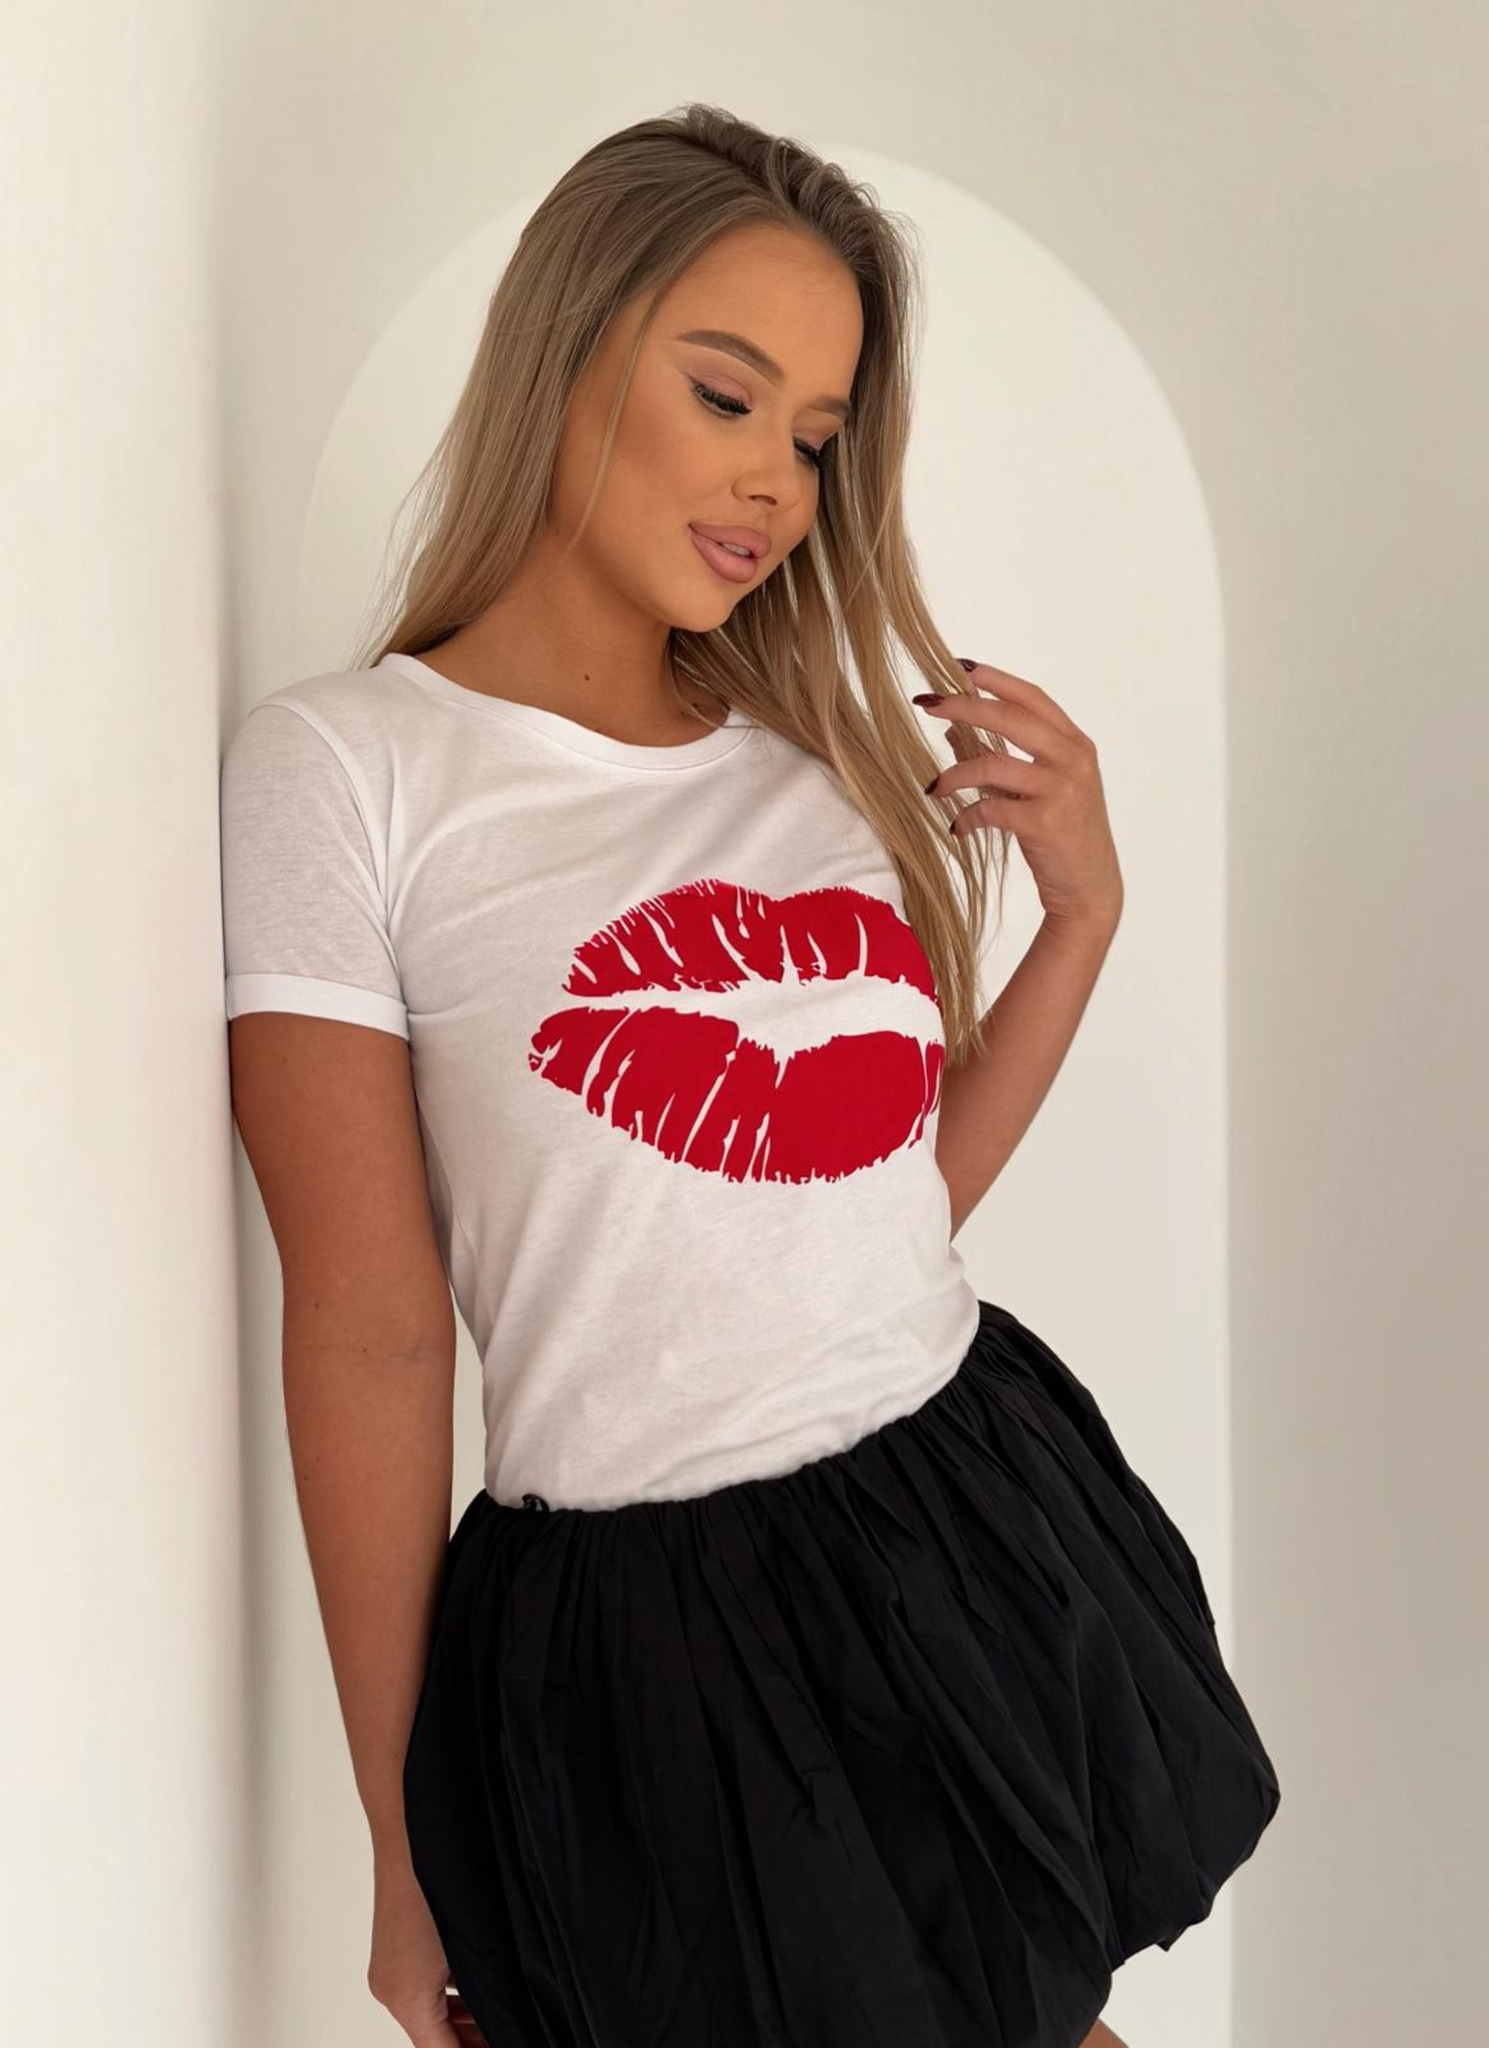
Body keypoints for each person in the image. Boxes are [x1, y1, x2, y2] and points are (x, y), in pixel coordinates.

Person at [219, 101, 1279, 2048]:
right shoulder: (349, 772)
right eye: (727, 395)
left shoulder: (815, 764)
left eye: (816, 436)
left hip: (949, 1509)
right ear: (568, 348)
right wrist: (401, 1841)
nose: (776, 483)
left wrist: (1083, 921)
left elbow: (872, 1206)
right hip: (660, 1637)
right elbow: (369, 1326)